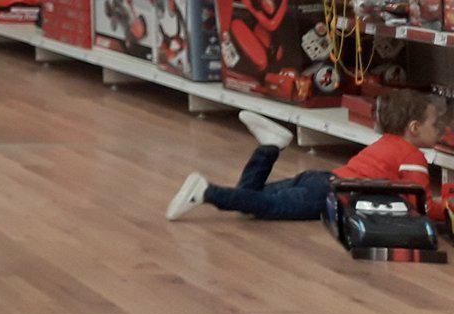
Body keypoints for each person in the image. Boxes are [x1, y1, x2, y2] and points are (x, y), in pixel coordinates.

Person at [167, 94, 449, 223]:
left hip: (320, 179)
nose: (441, 130)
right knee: (266, 206)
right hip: (328, 196)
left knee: (250, 197)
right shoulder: (412, 157)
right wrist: (446, 211)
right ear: (414, 128)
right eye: (435, 125)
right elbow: (420, 203)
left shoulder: (385, 143)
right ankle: (206, 192)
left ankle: (269, 147)